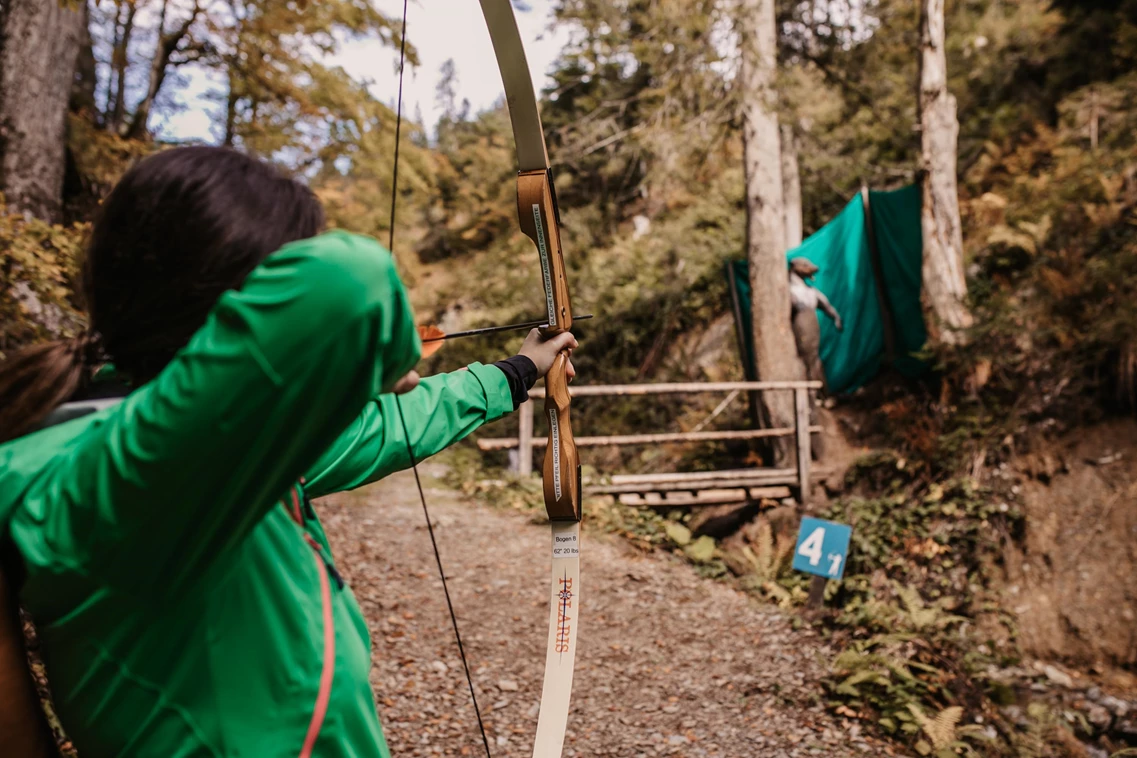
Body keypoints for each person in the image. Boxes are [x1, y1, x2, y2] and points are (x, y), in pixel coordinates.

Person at [0, 146, 576, 757]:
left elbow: (393, 422)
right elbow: (351, 284)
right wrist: (376, 349)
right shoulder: (108, 482)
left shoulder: (229, 454)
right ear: (233, 307)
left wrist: (516, 371)